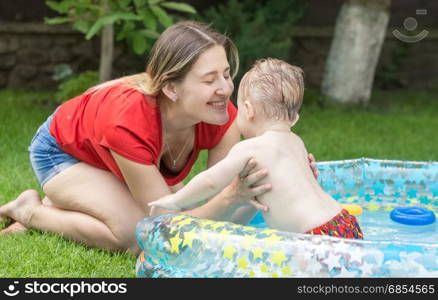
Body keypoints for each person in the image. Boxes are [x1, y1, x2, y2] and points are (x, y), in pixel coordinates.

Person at [0, 21, 319, 254]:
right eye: (210, 80)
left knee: (164, 215)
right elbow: (167, 222)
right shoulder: (129, 122)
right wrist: (230, 196)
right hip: (63, 153)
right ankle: (30, 211)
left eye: (226, 74)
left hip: (119, 156)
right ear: (171, 88)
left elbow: (219, 207)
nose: (225, 89)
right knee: (134, 236)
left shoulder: (221, 115)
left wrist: (275, 178)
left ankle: (75, 200)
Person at [149, 58, 363, 239]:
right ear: (295, 117)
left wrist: (175, 201)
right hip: (344, 222)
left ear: (249, 110)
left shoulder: (250, 148)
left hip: (314, 236)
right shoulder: (296, 142)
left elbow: (211, 181)